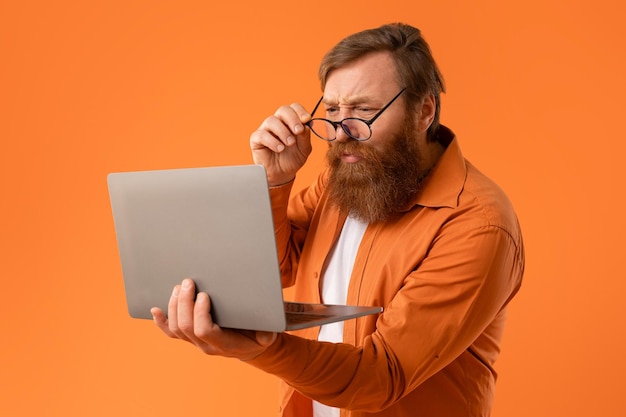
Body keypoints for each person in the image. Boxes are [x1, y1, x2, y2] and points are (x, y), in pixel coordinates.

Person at [151, 22, 525, 417]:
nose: (342, 132)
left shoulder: (478, 224)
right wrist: (275, 182)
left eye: (363, 110)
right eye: (331, 111)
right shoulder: (344, 179)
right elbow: (277, 268)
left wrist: (262, 347)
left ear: (424, 111)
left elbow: (382, 375)